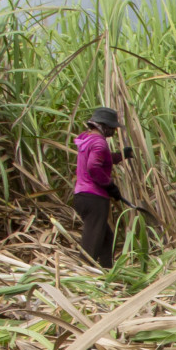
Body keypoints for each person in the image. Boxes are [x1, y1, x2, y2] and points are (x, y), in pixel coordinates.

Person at [73, 107, 130, 269]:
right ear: (102, 126)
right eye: (111, 127)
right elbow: (94, 167)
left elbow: (102, 158)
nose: (112, 131)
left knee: (106, 237)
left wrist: (120, 156)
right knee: (92, 240)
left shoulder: (87, 139)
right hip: (94, 198)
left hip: (82, 196)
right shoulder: (99, 142)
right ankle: (83, 273)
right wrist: (109, 185)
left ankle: (107, 270)